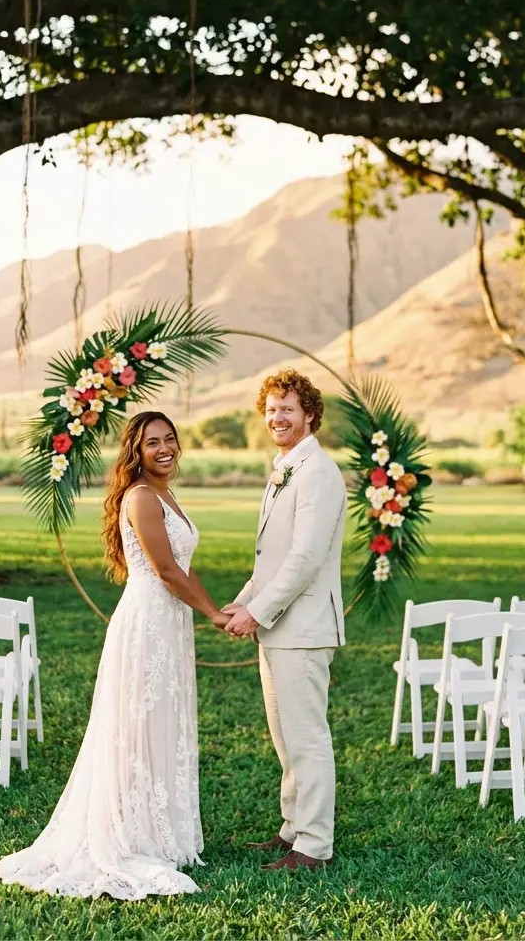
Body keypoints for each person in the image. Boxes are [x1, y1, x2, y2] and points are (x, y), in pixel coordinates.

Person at [0, 411, 232, 899]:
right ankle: (129, 835)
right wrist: (215, 614)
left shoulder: (165, 494)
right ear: (135, 453)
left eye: (169, 440)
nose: (163, 449)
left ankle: (160, 830)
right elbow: (164, 570)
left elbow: (181, 567)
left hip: (169, 622)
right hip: (146, 621)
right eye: (151, 443)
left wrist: (206, 609)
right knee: (135, 725)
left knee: (160, 720)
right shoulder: (141, 497)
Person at [223, 369, 347, 870]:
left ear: (310, 415)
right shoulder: (284, 469)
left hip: (304, 627)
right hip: (278, 627)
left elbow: (305, 559)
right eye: (272, 408)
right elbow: (270, 561)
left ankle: (314, 846)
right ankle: (292, 828)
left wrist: (257, 612)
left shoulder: (318, 472)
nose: (277, 416)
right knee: (284, 737)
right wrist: (242, 601)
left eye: (288, 409)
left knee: (307, 737)